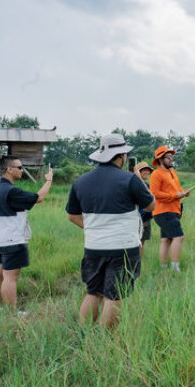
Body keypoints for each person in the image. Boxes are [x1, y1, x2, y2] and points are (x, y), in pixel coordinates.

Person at [66, 134, 155, 329]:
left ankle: (84, 334)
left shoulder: (81, 181)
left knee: (93, 292)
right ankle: (104, 342)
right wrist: (139, 181)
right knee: (114, 296)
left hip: (93, 246)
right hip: (123, 247)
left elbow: (72, 216)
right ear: (122, 156)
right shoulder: (130, 180)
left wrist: (95, 228)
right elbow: (151, 206)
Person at [0, 156, 53, 314]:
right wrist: (48, 181)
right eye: (19, 167)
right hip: (12, 240)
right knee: (10, 277)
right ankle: (11, 313)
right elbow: (38, 198)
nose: (22, 170)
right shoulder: (11, 190)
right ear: (9, 169)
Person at [150, 146, 190, 272]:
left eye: (171, 157)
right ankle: (175, 268)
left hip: (174, 209)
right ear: (161, 160)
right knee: (179, 237)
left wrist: (183, 193)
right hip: (164, 211)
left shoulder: (172, 172)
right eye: (168, 157)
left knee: (166, 240)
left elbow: (175, 190)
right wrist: (175, 195)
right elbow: (154, 193)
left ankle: (163, 268)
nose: (171, 159)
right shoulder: (156, 174)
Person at [133, 161, 154, 258]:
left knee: (142, 242)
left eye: (148, 170)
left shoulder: (148, 185)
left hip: (146, 218)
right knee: (133, 242)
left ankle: (139, 263)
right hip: (136, 218)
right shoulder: (134, 184)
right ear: (138, 172)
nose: (146, 172)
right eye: (143, 170)